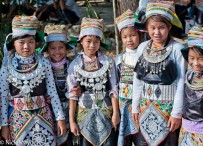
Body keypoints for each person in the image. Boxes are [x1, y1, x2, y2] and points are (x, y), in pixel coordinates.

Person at [0, 15, 66, 146]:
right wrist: (4, 125)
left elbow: (52, 92)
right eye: (21, 42)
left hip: (43, 116)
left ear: (35, 42)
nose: (26, 46)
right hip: (17, 119)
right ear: (13, 42)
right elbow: (2, 96)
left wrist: (60, 118)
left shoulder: (43, 62)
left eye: (30, 42)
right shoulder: (7, 66)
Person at [132, 1, 186, 145]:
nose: (157, 32)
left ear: (169, 27)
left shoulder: (177, 49)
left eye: (161, 28)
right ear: (147, 28)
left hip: (168, 111)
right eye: (153, 28)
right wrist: (135, 106)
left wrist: (176, 113)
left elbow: (181, 82)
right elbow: (137, 79)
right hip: (145, 108)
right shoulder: (142, 47)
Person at [67, 17, 120, 146]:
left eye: (96, 42)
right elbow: (72, 95)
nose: (92, 45)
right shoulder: (75, 65)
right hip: (85, 113)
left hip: (106, 113)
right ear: (81, 41)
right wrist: (72, 121)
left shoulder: (107, 62)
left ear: (100, 42)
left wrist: (116, 113)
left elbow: (114, 89)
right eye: (88, 41)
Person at [42, 24, 80, 146]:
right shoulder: (42, 67)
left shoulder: (73, 65)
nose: (57, 52)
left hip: (71, 110)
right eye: (53, 48)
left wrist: (80, 90)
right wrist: (44, 97)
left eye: (61, 48)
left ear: (66, 48)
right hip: (50, 112)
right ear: (47, 49)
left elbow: (82, 83)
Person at [115, 9, 142, 146]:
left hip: (141, 106)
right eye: (125, 37)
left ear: (139, 34)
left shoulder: (144, 56)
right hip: (124, 107)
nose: (129, 40)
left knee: (141, 139)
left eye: (132, 35)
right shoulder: (120, 59)